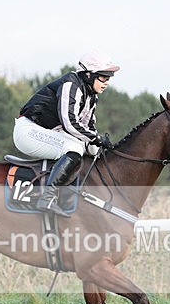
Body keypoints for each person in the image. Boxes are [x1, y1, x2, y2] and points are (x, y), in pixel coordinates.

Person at [13, 52, 119, 217]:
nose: (107, 83)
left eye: (109, 78)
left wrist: (98, 145)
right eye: (103, 78)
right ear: (88, 75)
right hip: (28, 131)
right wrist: (96, 138)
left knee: (90, 150)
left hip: (47, 131)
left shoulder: (92, 96)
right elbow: (70, 122)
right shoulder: (71, 85)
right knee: (74, 148)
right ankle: (48, 198)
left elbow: (88, 126)